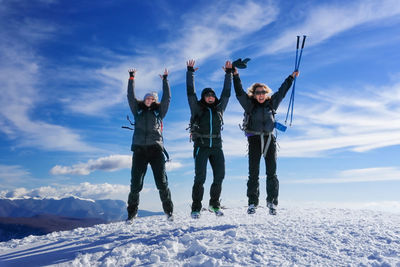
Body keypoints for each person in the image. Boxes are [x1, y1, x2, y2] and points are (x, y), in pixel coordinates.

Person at [233, 67, 299, 215]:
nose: (261, 95)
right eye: (258, 92)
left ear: (266, 93)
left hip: (269, 139)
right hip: (254, 140)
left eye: (263, 92)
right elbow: (238, 93)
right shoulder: (249, 105)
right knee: (253, 173)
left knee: (272, 173)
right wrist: (235, 76)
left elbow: (282, 92)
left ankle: (272, 202)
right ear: (254, 94)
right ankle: (252, 203)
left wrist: (291, 77)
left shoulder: (272, 104)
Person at [186, 59, 233, 219]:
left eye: (212, 95)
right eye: (207, 95)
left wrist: (229, 74)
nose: (211, 97)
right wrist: (190, 73)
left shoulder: (220, 109)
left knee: (220, 176)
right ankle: (196, 208)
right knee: (200, 178)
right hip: (201, 146)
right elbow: (190, 93)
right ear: (204, 98)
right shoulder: (197, 108)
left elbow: (226, 93)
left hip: (217, 147)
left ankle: (214, 204)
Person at [126, 68, 174, 222]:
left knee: (162, 182)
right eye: (147, 98)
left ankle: (169, 212)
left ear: (155, 101)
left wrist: (165, 81)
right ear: (144, 100)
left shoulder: (159, 113)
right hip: (139, 151)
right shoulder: (137, 111)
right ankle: (132, 214)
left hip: (155, 151)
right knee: (135, 184)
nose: (149, 100)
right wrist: (131, 78)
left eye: (152, 99)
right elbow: (130, 97)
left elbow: (167, 99)